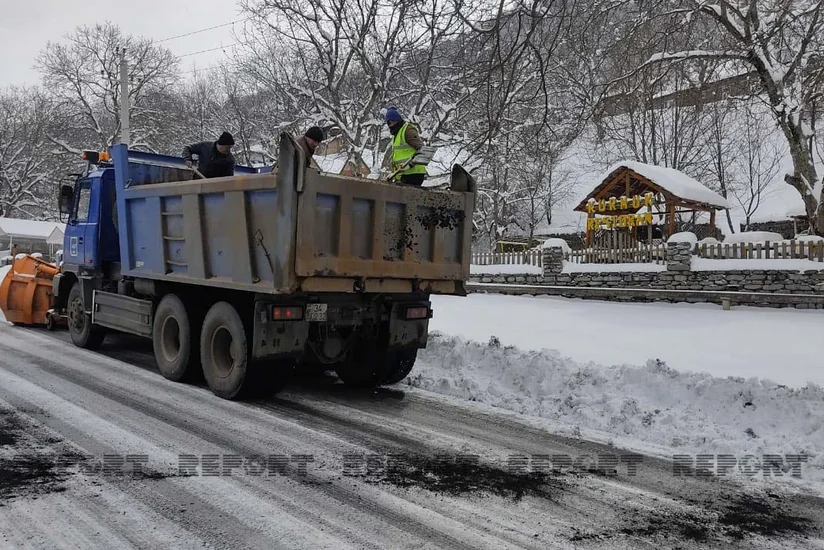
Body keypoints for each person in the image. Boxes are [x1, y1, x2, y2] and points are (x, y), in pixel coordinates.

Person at [385, 107, 426, 186]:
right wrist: (394, 174)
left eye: (393, 121)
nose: (391, 124)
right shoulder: (396, 134)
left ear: (398, 119)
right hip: (404, 174)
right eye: (389, 123)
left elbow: (422, 151)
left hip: (414, 174)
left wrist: (409, 165)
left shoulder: (407, 130)